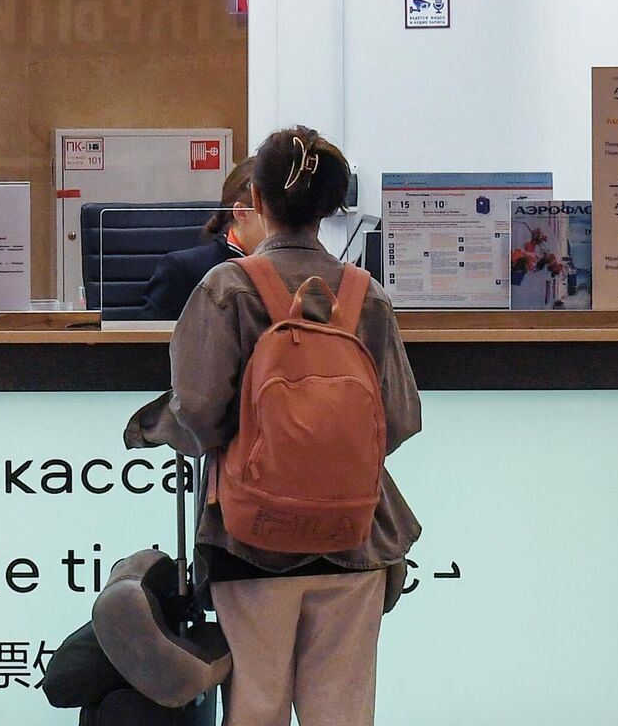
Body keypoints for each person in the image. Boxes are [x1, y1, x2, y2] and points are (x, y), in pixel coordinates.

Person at [165, 127, 422, 725]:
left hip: (250, 537)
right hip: (355, 536)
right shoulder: (369, 297)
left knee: (255, 706)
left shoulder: (227, 290)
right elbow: (401, 419)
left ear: (254, 198)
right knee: (344, 712)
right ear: (333, 206)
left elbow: (198, 414)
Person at [141, 157, 264, 320]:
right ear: (241, 212)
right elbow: (151, 342)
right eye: (278, 212)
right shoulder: (181, 270)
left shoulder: (298, 265)